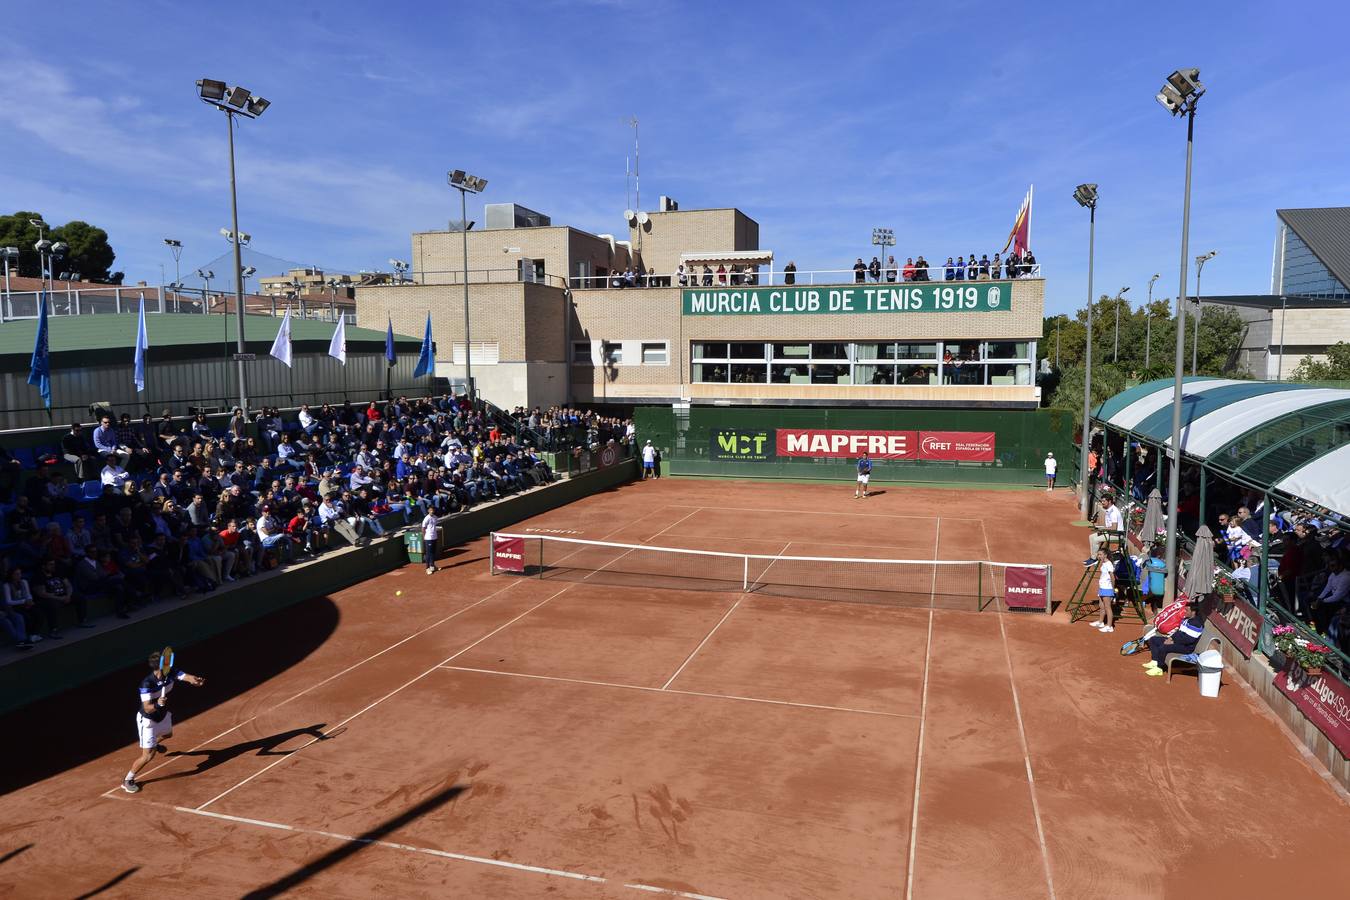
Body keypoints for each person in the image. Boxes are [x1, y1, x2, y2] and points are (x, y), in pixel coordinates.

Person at [122, 652, 206, 793]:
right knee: (148, 756)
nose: (169, 665)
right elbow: (147, 708)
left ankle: (155, 743)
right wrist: (157, 704)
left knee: (168, 734)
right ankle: (128, 779)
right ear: (159, 667)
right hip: (148, 720)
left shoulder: (170, 672)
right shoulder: (147, 683)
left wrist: (194, 680)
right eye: (165, 663)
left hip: (162, 714)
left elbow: (185, 677)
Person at [1141, 597, 1205, 677]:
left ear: (1193, 612)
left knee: (1163, 647)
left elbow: (1188, 640)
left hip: (1187, 648)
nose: (1184, 612)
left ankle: (1159, 668)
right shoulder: (1186, 619)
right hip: (1179, 642)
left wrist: (1173, 641)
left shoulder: (1197, 624)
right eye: (1185, 609)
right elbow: (1179, 631)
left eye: (1187, 610)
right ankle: (1155, 661)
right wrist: (1171, 638)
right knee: (1154, 639)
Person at [1085, 494, 1123, 565]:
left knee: (1096, 540)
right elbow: (1109, 526)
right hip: (1110, 532)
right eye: (1101, 501)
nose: (1102, 502)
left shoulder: (1113, 512)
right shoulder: (1109, 510)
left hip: (1117, 534)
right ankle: (1093, 557)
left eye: (1104, 501)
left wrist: (1102, 528)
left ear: (1110, 501)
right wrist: (1100, 527)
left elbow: (1114, 528)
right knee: (1091, 537)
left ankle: (1095, 559)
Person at [1090, 549, 1116, 633]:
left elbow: (1112, 577)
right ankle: (1100, 622)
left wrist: (1112, 589)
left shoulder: (1109, 564)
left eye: (1100, 554)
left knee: (1108, 607)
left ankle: (1109, 626)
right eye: (1098, 555)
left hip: (1107, 589)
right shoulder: (1104, 563)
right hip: (1102, 587)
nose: (1099, 556)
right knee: (1101, 606)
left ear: (1105, 555)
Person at [1142, 543, 1168, 611]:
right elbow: (1146, 563)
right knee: (1147, 587)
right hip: (1153, 575)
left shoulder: (1164, 558)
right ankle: (1144, 600)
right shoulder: (1153, 555)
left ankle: (1150, 600)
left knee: (1152, 587)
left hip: (1158, 576)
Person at [421, 508, 440, 575]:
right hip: (428, 538)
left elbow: (433, 526)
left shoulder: (435, 517)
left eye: (433, 510)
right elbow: (423, 528)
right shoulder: (426, 518)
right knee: (428, 554)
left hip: (434, 537)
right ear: (428, 511)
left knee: (433, 552)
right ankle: (427, 568)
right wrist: (424, 537)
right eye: (430, 510)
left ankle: (432, 566)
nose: (432, 511)